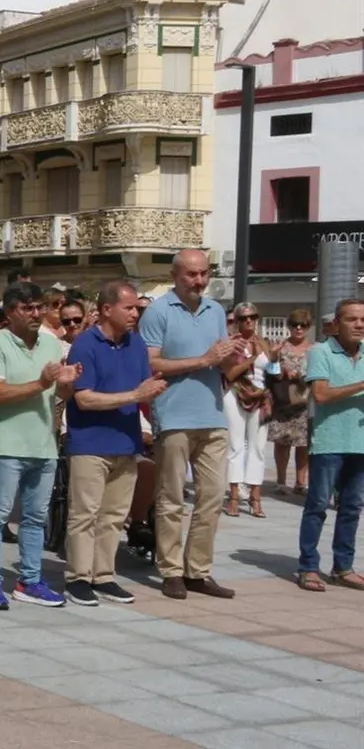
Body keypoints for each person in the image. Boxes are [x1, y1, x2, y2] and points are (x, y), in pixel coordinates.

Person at [141, 249, 238, 601]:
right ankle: (170, 571)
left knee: (212, 496)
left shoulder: (215, 311)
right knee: (171, 498)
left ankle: (198, 570)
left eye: (203, 273)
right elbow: (151, 364)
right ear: (174, 275)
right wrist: (204, 359)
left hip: (213, 415)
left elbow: (221, 362)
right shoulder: (157, 311)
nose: (199, 280)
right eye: (191, 274)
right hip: (174, 416)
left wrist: (234, 359)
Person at [0, 281, 77, 610]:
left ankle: (29, 581)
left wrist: (66, 385)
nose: (36, 313)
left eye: (40, 307)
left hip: (44, 444)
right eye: (27, 308)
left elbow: (58, 395)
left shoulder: (51, 345)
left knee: (35, 519)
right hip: (7, 445)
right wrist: (41, 383)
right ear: (9, 312)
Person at [63, 280, 164, 605]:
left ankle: (103, 575)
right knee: (85, 514)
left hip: (126, 442)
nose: (136, 313)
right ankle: (78, 577)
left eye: (137, 308)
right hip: (90, 443)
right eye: (129, 307)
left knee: (114, 516)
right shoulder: (85, 345)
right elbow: (84, 399)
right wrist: (135, 395)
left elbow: (144, 386)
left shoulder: (136, 344)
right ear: (107, 309)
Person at [300, 299, 364, 592]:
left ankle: (343, 567)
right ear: (337, 323)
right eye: (352, 319)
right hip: (330, 443)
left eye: (363, 320)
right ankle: (308, 566)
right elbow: (321, 395)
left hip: (360, 444)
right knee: (317, 506)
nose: (359, 325)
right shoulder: (321, 351)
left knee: (351, 508)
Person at [222, 303, 271, 519]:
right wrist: (252, 358)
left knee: (258, 448)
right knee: (235, 445)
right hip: (235, 393)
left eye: (252, 317)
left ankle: (255, 497)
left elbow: (273, 372)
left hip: (261, 397)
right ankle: (234, 496)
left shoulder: (264, 342)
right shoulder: (231, 344)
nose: (247, 321)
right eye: (242, 318)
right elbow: (230, 374)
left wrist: (274, 360)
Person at [270, 308, 314, 496]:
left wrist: (302, 376)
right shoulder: (280, 347)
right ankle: (280, 481)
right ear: (288, 326)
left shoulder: (314, 349)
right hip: (284, 400)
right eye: (294, 324)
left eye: (303, 325)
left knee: (303, 444)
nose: (298, 328)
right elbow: (271, 372)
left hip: (305, 400)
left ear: (308, 327)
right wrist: (278, 365)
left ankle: (300, 482)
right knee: (282, 442)